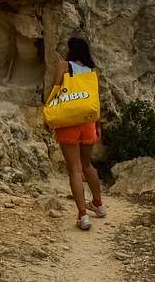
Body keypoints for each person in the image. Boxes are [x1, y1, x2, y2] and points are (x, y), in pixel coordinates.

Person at [49, 36, 106, 230]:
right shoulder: (91, 71)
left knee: (75, 169)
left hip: (68, 122)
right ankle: (98, 204)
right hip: (88, 122)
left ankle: (83, 216)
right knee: (87, 165)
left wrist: (49, 114)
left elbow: (55, 90)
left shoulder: (65, 66)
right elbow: (94, 100)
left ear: (71, 49)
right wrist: (97, 124)